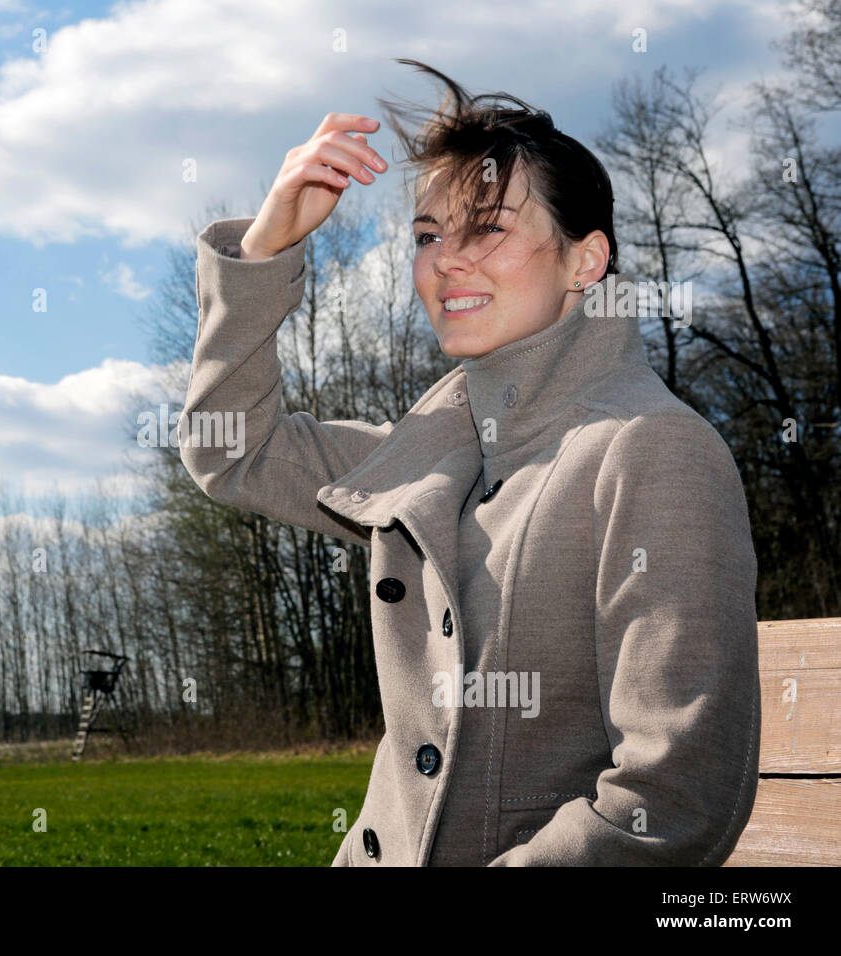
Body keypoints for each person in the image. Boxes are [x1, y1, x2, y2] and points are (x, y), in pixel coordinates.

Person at [177, 60, 761, 865]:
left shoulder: (649, 448)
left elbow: (672, 796)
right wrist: (264, 248)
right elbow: (231, 451)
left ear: (585, 261)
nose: (445, 259)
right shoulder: (432, 452)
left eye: (486, 228)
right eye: (426, 235)